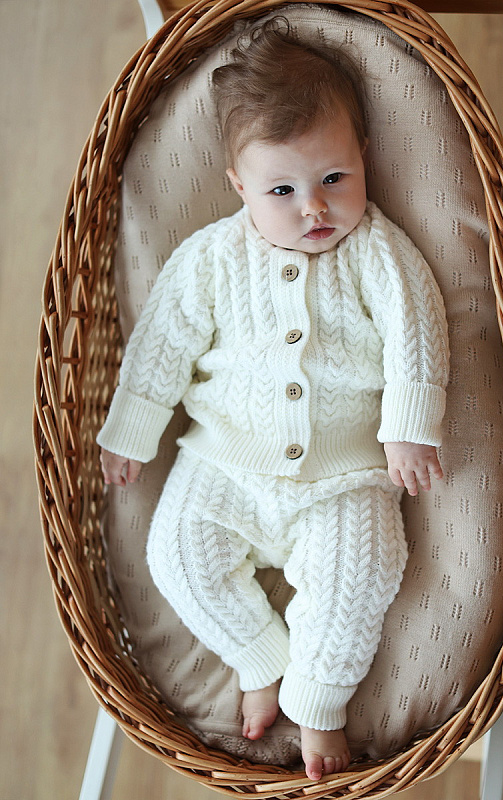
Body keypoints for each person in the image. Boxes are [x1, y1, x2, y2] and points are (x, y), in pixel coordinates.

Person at [97, 20, 449, 782]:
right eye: (282, 191)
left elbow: (416, 331)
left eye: (335, 178)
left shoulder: (380, 253)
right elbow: (162, 341)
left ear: (365, 157)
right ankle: (260, 656)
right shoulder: (211, 259)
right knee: (176, 554)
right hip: (223, 463)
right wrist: (133, 427)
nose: (313, 208)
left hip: (342, 478)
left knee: (364, 570)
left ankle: (319, 699)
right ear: (240, 187)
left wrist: (408, 426)